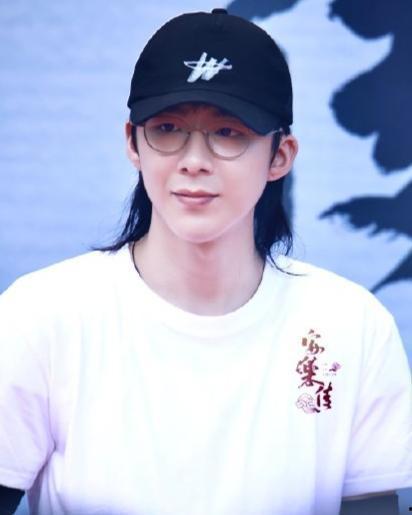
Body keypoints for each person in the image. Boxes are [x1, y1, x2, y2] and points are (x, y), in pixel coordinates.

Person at [0, 8, 411, 515]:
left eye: (228, 132)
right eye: (168, 128)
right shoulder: (40, 316)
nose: (194, 161)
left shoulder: (351, 325)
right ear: (133, 143)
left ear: (280, 155)